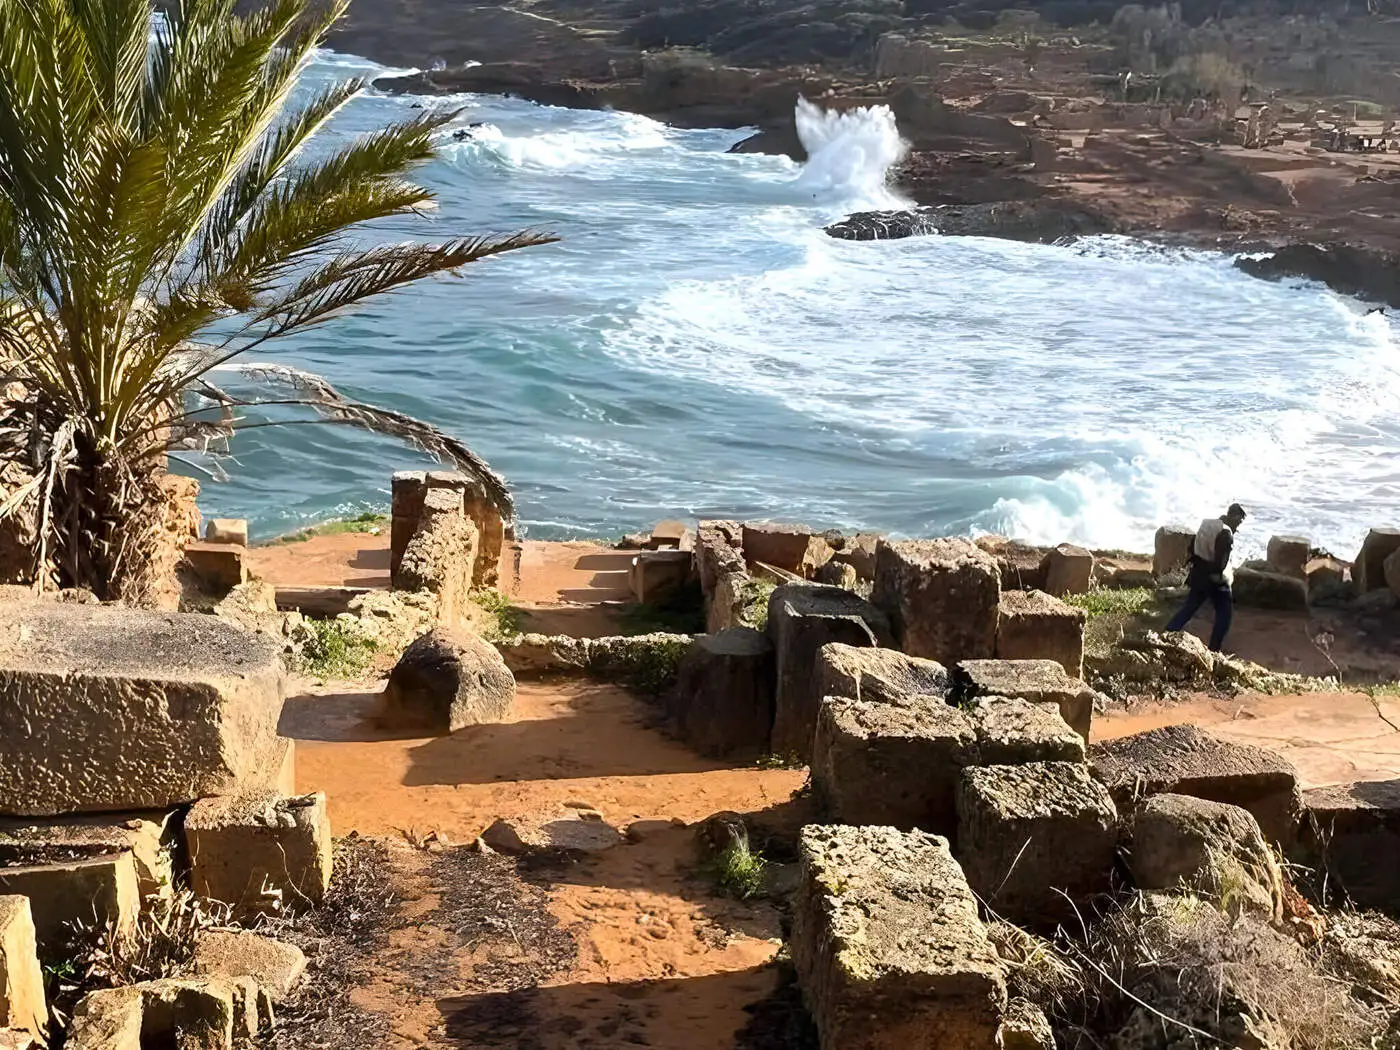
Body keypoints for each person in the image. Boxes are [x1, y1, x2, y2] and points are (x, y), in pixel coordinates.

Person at [1165, 503, 1247, 652]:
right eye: (1239, 522)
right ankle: (1214, 650)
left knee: (1189, 608)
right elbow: (1220, 565)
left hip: (1198, 573)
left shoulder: (1207, 524)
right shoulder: (1226, 533)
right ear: (1234, 517)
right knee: (1224, 614)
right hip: (1214, 579)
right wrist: (1222, 581)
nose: (1238, 527)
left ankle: (1167, 634)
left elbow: (1192, 547)